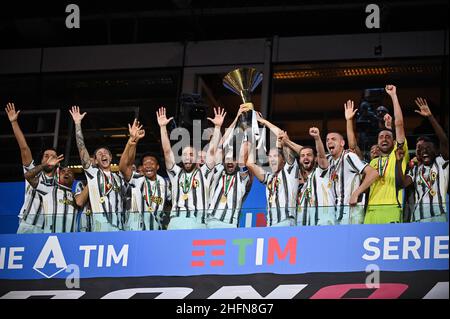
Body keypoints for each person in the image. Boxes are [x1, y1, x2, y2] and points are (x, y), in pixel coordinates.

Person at [157, 106, 224, 230]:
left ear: (197, 158)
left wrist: (218, 127)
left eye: (191, 154)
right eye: (185, 155)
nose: (188, 157)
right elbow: (167, 151)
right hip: (176, 222)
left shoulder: (204, 172)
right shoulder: (175, 173)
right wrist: (162, 127)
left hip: (198, 222)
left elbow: (212, 151)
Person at [69, 105, 126, 231]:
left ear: (111, 158)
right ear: (95, 160)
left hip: (120, 227)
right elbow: (81, 148)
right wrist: (78, 124)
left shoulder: (119, 178)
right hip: (101, 227)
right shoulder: (93, 174)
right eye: (99, 154)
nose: (103, 154)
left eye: (106, 153)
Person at [5, 102, 58, 234]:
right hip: (27, 224)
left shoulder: (60, 181)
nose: (49, 158)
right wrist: (14, 122)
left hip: (48, 229)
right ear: (41, 160)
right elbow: (24, 148)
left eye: (53, 156)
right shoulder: (33, 172)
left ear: (58, 162)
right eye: (46, 156)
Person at [396, 97, 449, 222]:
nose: (423, 151)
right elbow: (401, 184)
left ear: (435, 151)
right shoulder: (415, 170)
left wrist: (430, 117)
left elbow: (444, 141)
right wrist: (398, 162)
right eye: (420, 149)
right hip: (418, 217)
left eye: (427, 148)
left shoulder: (441, 163)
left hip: (438, 216)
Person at [364, 85, 409, 224]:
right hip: (370, 212)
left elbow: (399, 124)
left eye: (388, 137)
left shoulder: (399, 153)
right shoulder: (372, 163)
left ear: (394, 141)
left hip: (392, 209)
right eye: (381, 137)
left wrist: (393, 96)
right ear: (377, 143)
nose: (384, 139)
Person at [119, 119, 170, 231]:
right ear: (141, 167)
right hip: (136, 230)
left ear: (157, 167)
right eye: (145, 163)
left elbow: (172, 201)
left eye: (151, 163)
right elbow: (123, 167)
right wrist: (132, 141)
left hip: (156, 231)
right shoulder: (138, 179)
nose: (147, 165)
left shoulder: (164, 183)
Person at [247, 119, 299, 227]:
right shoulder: (269, 177)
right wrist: (252, 134)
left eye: (275, 156)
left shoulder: (289, 170)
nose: (272, 159)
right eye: (270, 157)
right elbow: (250, 164)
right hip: (270, 225)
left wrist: (264, 122)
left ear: (283, 160)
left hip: (286, 222)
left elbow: (281, 135)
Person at [206, 105, 252, 229]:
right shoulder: (218, 172)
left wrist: (246, 127)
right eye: (227, 159)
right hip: (211, 221)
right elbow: (220, 146)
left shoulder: (242, 177)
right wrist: (236, 118)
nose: (230, 161)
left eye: (233, 159)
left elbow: (244, 152)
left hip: (230, 225)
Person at [326, 129, 378, 224]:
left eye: (333, 139)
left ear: (342, 143)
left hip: (351, 213)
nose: (329, 141)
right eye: (327, 140)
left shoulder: (348, 156)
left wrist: (356, 193)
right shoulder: (330, 161)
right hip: (337, 215)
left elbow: (373, 173)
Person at [284, 127, 335, 226]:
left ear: (315, 158)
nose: (305, 157)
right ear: (299, 160)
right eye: (302, 156)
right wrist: (285, 142)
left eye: (309, 155)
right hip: (303, 227)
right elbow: (289, 159)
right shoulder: (300, 186)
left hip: (323, 224)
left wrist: (317, 138)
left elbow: (321, 156)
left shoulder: (321, 174)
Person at [24, 154, 83, 233]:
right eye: (63, 171)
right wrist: (45, 165)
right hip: (50, 237)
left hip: (71, 239)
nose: (66, 173)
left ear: (74, 179)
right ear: (58, 176)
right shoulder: (49, 190)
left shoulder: (77, 197)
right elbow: (28, 176)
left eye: (69, 172)